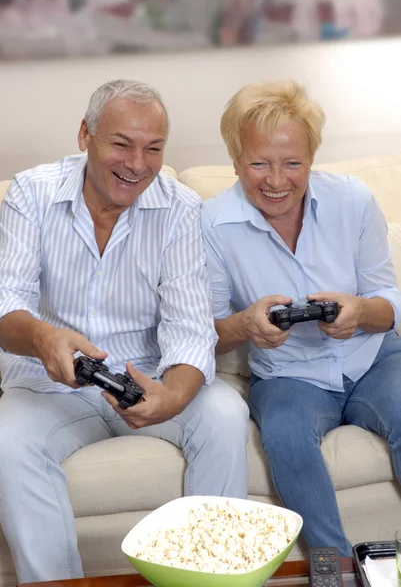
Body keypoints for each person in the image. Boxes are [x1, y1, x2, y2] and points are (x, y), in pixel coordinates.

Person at [0, 79, 249, 583]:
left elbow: (189, 325)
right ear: (84, 135)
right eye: (121, 143)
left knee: (226, 412)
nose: (137, 164)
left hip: (149, 372)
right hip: (52, 385)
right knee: (5, 440)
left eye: (153, 148)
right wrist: (45, 338)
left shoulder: (180, 209)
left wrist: (173, 396)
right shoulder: (30, 193)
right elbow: (7, 309)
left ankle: (210, 579)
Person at [201, 79, 401, 556]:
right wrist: (246, 325)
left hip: (373, 357)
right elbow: (202, 334)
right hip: (289, 375)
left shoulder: (352, 200)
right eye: (258, 163)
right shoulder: (211, 224)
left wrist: (361, 312)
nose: (276, 181)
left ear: (312, 157)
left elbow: (388, 299)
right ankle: (335, 566)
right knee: (286, 435)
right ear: (234, 160)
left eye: (293, 163)